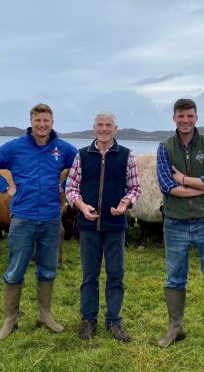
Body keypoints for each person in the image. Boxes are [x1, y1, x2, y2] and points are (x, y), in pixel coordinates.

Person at [0, 103, 77, 339]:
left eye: (46, 120)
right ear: (31, 122)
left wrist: (65, 186)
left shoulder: (62, 148)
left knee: (48, 269)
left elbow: (80, 166)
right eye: (38, 120)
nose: (42, 124)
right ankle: (10, 320)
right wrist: (5, 186)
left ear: (52, 122)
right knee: (15, 271)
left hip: (52, 219)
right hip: (22, 218)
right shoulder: (15, 147)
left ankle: (45, 315)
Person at [155, 98, 204, 351]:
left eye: (189, 116)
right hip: (175, 222)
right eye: (181, 116)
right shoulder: (164, 148)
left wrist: (185, 179)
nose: (185, 120)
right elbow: (167, 186)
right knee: (174, 277)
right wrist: (201, 185)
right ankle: (175, 327)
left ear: (196, 117)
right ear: (174, 118)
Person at [65, 111, 141, 342]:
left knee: (116, 275)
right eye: (100, 125)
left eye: (109, 125)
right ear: (94, 128)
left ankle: (114, 321)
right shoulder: (81, 155)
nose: (104, 129)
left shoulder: (126, 156)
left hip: (116, 225)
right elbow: (71, 187)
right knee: (89, 275)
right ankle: (88, 320)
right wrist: (81, 205)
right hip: (88, 226)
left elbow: (134, 188)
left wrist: (126, 203)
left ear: (115, 128)